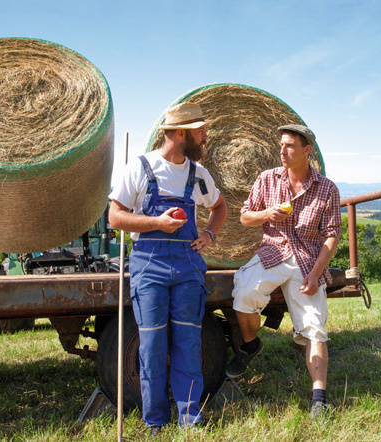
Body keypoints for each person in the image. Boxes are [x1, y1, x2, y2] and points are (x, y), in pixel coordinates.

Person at [108, 102, 227, 432]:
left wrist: (209, 234)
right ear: (179, 133)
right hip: (149, 264)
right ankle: (156, 422)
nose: (206, 136)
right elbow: (115, 216)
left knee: (188, 342)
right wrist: (155, 222)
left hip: (189, 265)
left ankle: (191, 419)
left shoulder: (198, 175)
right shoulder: (140, 168)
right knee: (152, 345)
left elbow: (219, 207)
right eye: (200, 130)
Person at [226, 124, 341, 420]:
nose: (282, 150)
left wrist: (316, 274)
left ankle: (319, 399)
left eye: (289, 145)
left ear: (307, 151)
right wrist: (267, 214)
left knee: (315, 327)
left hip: (307, 261)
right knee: (244, 294)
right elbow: (245, 217)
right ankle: (251, 345)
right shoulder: (267, 179)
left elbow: (332, 235)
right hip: (272, 252)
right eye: (281, 145)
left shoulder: (326, 188)